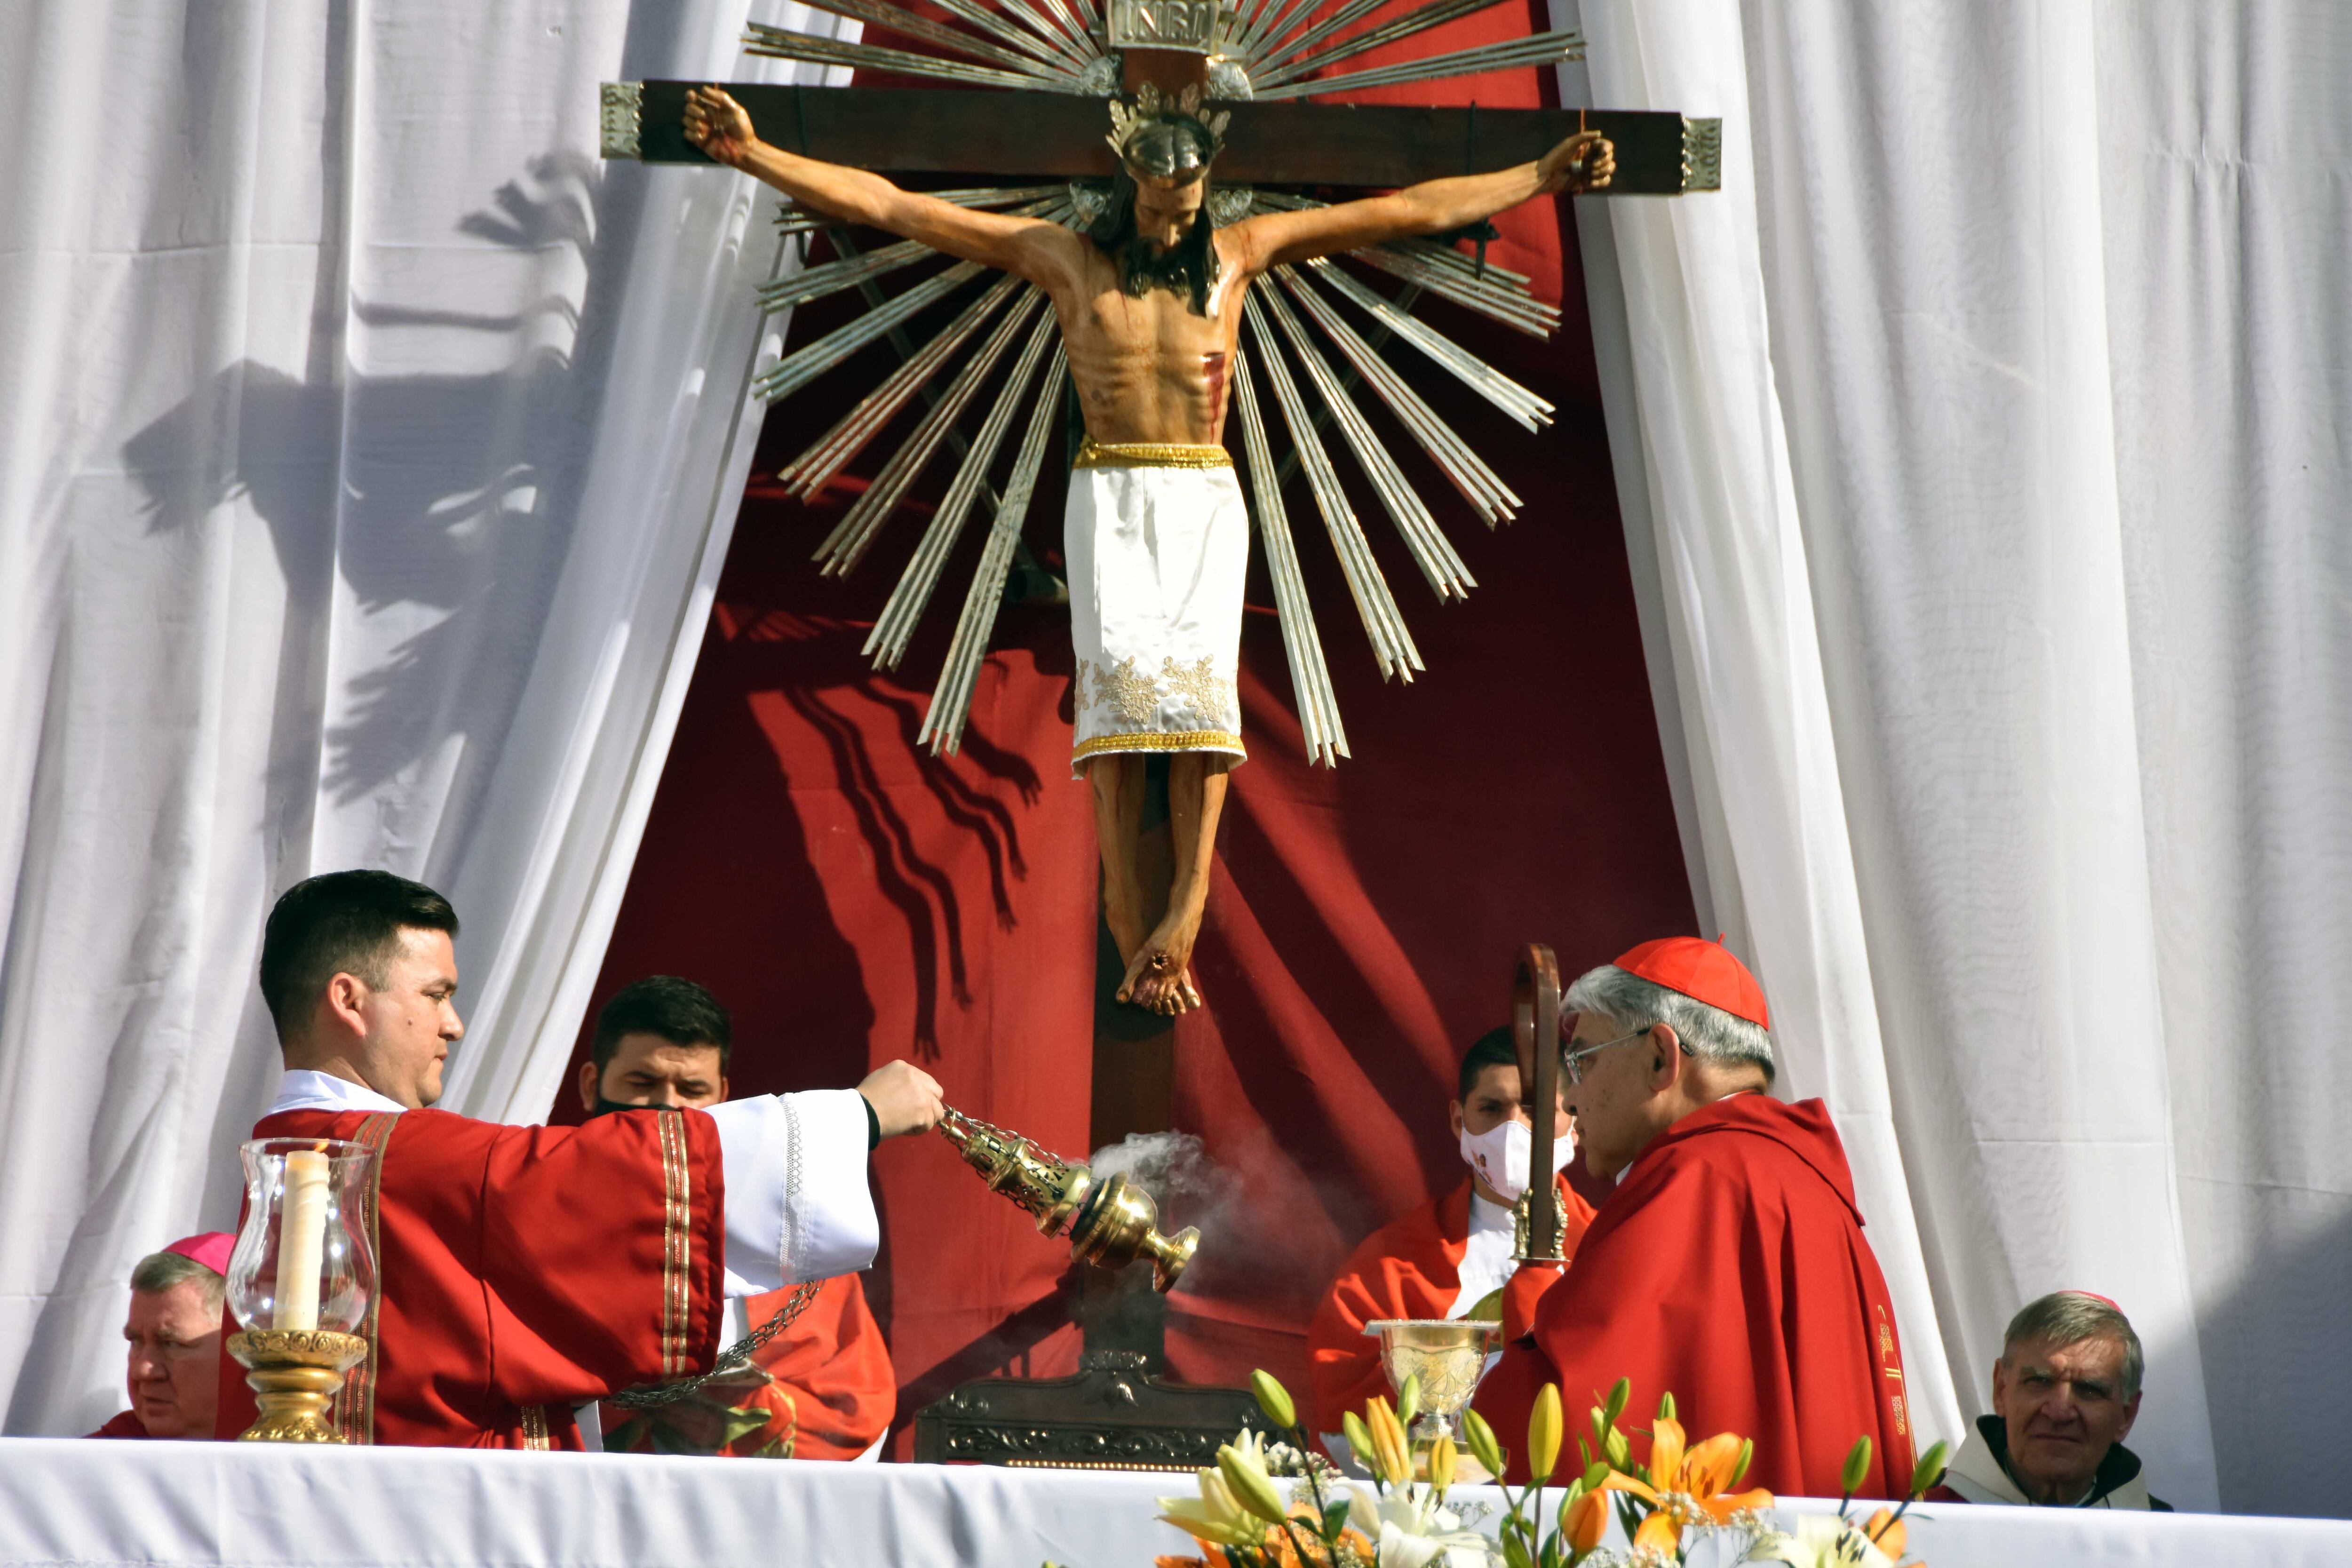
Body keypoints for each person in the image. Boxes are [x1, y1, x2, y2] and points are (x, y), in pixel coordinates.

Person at [679, 83, 1614, 1019]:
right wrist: (754, 156)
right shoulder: (1068, 263)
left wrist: (1537, 175)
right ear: (1130, 185)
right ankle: (1131, 918)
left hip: (1203, 488)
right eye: (1158, 208)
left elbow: (1400, 211)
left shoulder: (1241, 256)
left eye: (1187, 207)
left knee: (1203, 708)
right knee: (1122, 712)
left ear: (1207, 190)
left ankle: (1187, 908)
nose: (1171, 227)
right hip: (1111, 492)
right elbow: (899, 208)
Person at [213, 870, 944, 1448]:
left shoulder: (297, 1147)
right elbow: (592, 1176)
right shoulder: (389, 1158)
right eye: (436, 994)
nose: (455, 1025)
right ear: (349, 998)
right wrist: (860, 1115)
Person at [1471, 937, 1918, 1499]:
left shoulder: (1692, 1179)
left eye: (1582, 1060)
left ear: (1660, 1057)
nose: (1571, 1100)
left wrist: (1493, 1377)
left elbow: (1578, 1413)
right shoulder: (1809, 1182)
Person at [579, 976, 896, 1460]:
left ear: (723, 1099)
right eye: (642, 1084)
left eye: (691, 1089)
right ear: (591, 1086)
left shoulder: (794, 1233)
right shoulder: (531, 1207)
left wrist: (755, 1407)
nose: (668, 1108)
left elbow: (856, 1413)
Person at [1305, 1027, 1594, 1440]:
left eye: (1535, 1109)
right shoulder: (1393, 1261)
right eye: (1492, 1109)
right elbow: (1343, 1391)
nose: (1514, 1129)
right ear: (1460, 1121)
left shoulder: (1610, 1244)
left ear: (1577, 1120)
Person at [1929, 1292, 2170, 1510]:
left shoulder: (2165, 1539)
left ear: (2126, 1416)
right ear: (2001, 1390)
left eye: (2089, 1389)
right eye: (2039, 1382)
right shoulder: (1914, 1520)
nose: (2059, 1412)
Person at [87, 1234, 233, 1439]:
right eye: (136, 1342)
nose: (142, 1371)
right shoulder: (94, 1461)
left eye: (171, 1344)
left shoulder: (288, 1461)